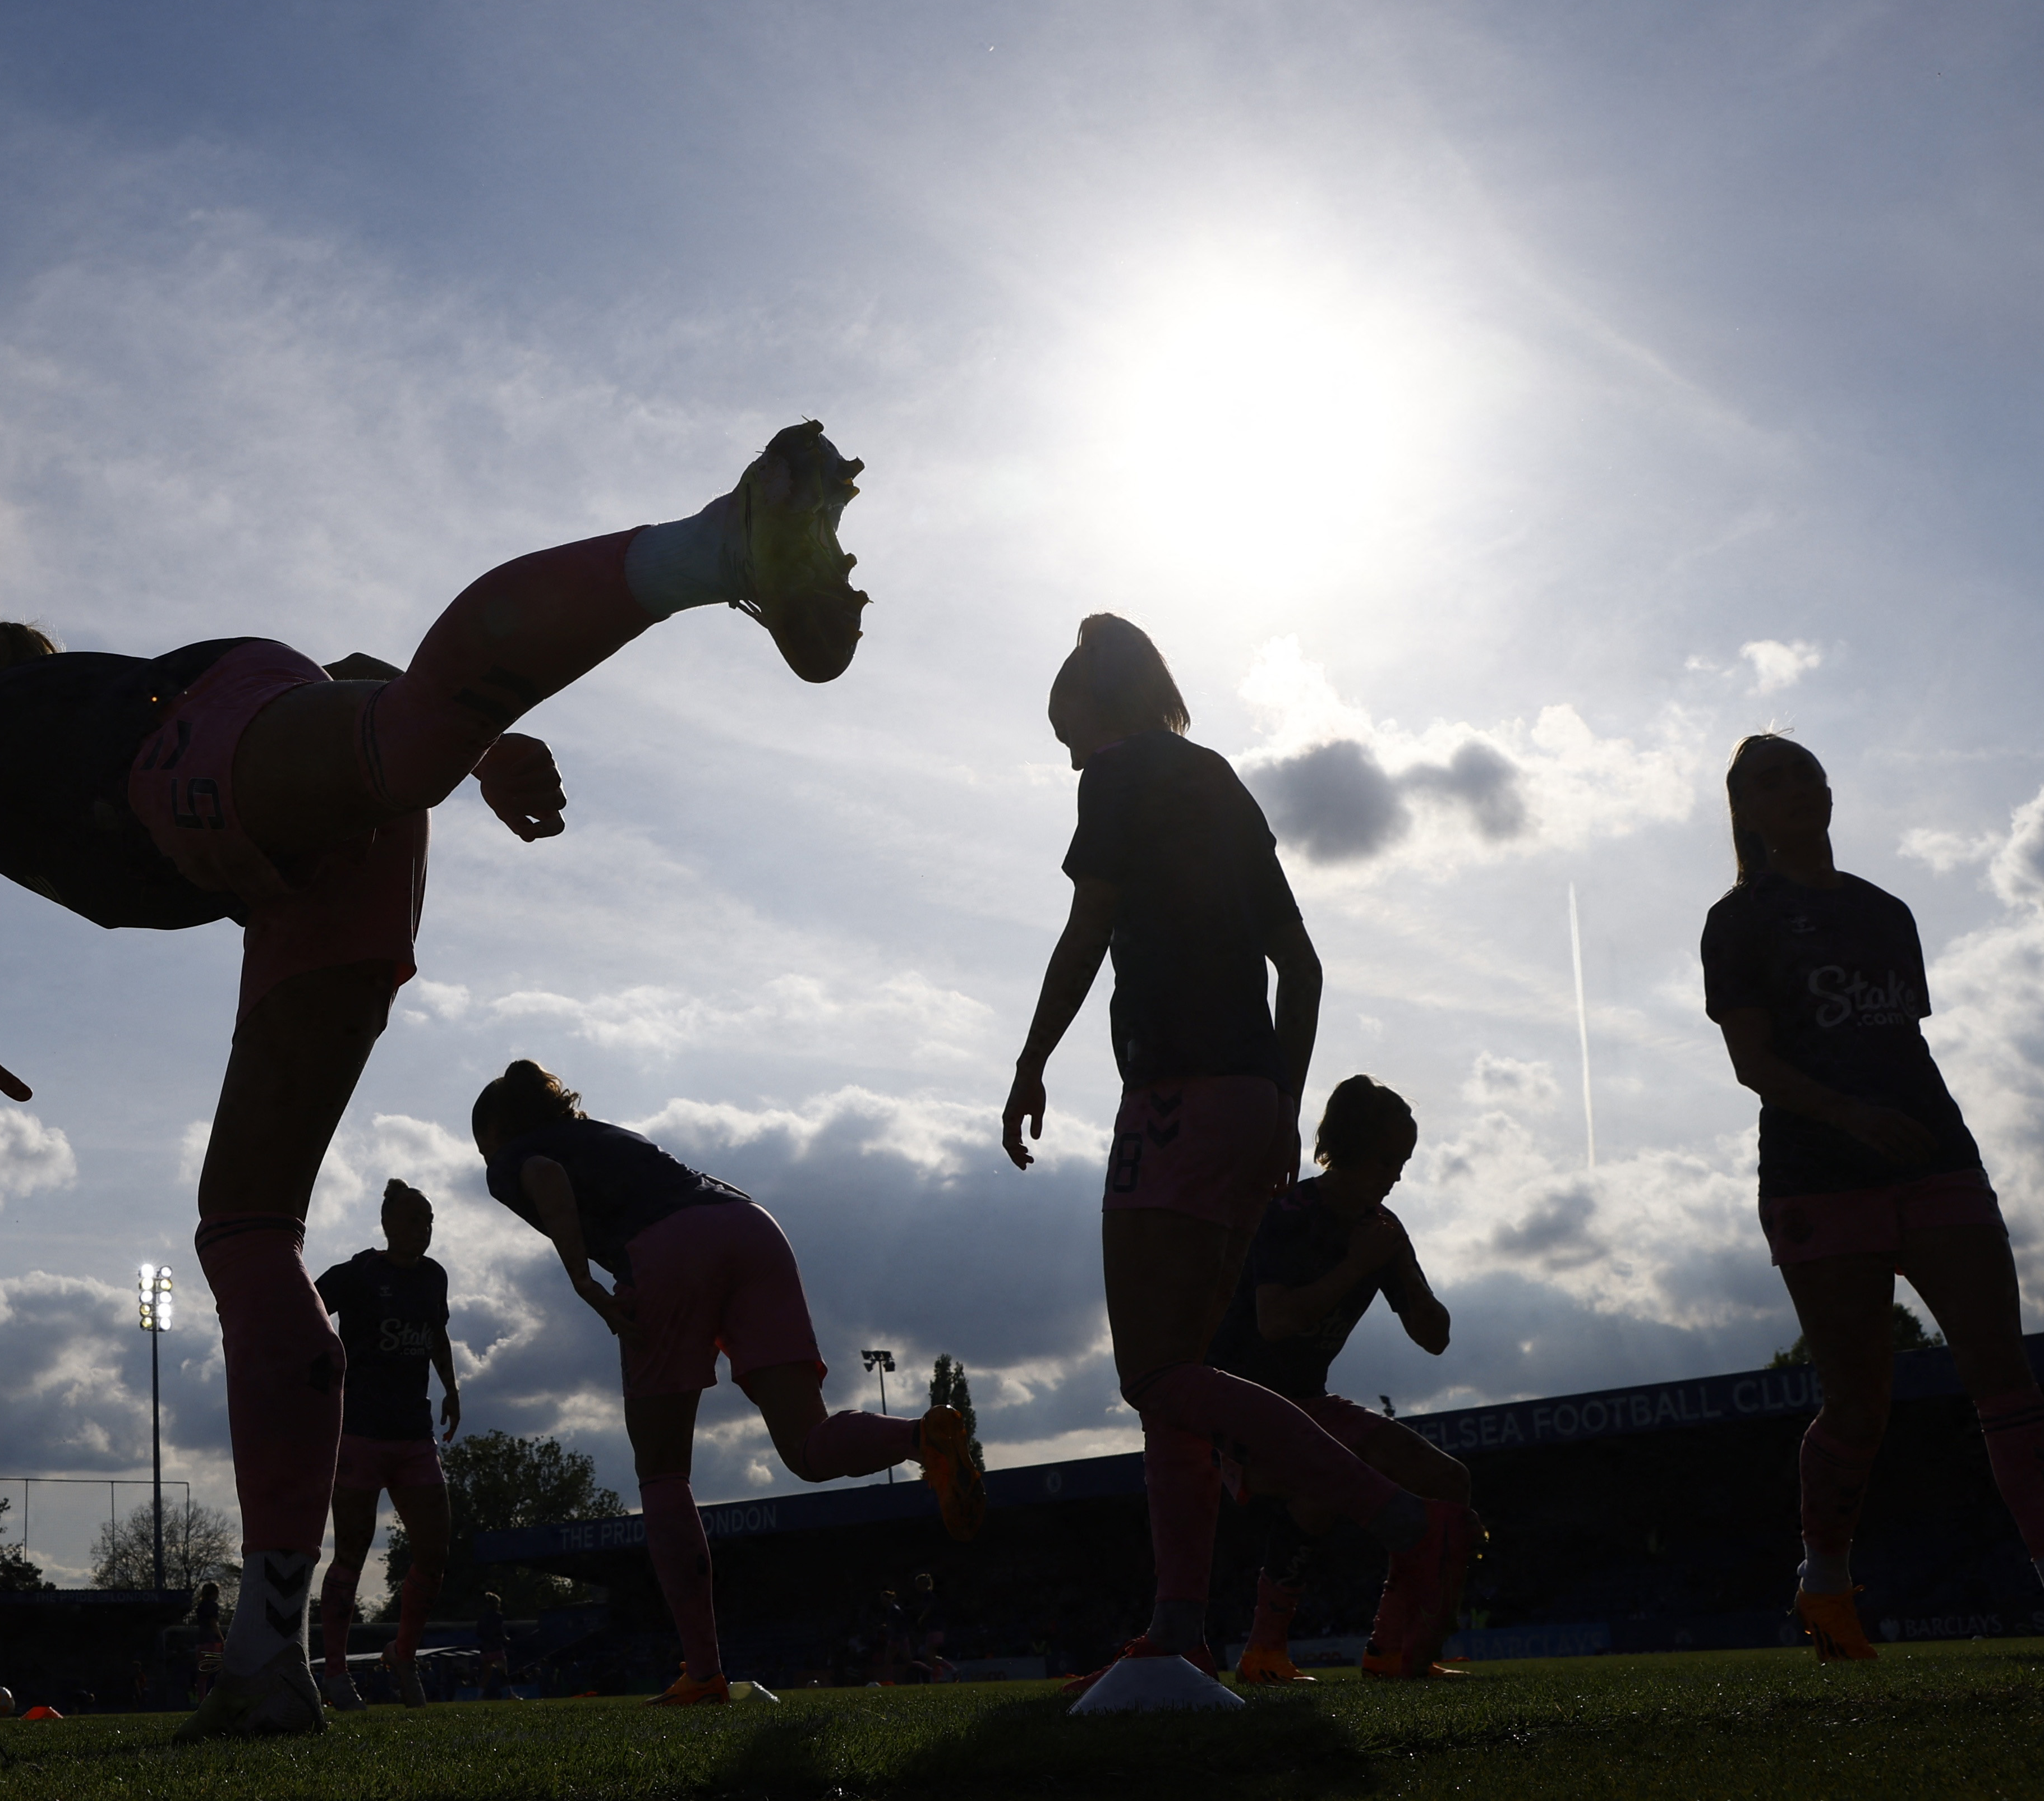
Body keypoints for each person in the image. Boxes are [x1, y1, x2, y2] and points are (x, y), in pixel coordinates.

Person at [0, 425, 875, 1736]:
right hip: (302, 862)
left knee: (390, 755)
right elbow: (347, 687)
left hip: (209, 768)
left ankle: (718, 542)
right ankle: (261, 1664)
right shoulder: (82, 722)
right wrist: (480, 746)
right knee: (243, 1227)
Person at [999, 614, 1479, 1680]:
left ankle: (1399, 1521)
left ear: (1101, 709)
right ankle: (1178, 1628)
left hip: (1170, 1094)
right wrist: (1279, 1101)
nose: (1070, 758)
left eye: (1067, 734)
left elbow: (1086, 932)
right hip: (1247, 1098)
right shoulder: (1220, 781)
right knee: (1186, 1372)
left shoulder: (1118, 776)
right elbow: (1300, 969)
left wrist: (1031, 1058)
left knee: (1156, 1371)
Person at [1703, 734, 2044, 1659]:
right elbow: (1753, 1064)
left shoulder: (1884, 911)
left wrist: (1900, 1122)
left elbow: (1894, 1038)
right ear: (1743, 811)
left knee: (2000, 1372)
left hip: (1936, 1161)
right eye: (1769, 781)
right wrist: (1848, 1116)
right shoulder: (1736, 920)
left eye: (1804, 772)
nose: (1794, 788)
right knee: (1857, 1404)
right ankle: (1822, 1585)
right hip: (1817, 1177)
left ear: (1830, 792)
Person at [478, 1061, 982, 1705]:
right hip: (749, 1223)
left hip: (667, 1247)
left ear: (496, 1128)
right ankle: (920, 1435)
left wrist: (583, 1281)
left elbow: (542, 1177)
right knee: (807, 1444)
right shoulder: (604, 1135)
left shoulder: (516, 1154)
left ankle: (704, 1670)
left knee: (663, 1471)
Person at [1205, 1076, 1475, 1683]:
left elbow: (1435, 1336)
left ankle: (1393, 1649)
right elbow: (1275, 1322)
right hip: (1240, 1402)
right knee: (1319, 1486)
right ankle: (1267, 1651)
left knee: (1446, 1478)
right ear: (1350, 1149)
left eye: (1405, 1161)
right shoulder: (1289, 1215)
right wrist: (1358, 1265)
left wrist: (1408, 1281)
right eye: (1389, 1159)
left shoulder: (1383, 1228)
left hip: (1309, 1403)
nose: (1398, 1175)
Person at [312, 1178, 464, 1707]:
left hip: (412, 1434)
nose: (422, 1227)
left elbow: (436, 1333)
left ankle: (402, 1654)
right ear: (387, 1223)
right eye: (413, 1217)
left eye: (428, 1219)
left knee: (434, 1551)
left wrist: (451, 1386)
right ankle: (334, 1674)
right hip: (357, 1432)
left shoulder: (433, 1277)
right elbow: (304, 1307)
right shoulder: (358, 1274)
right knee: (351, 1550)